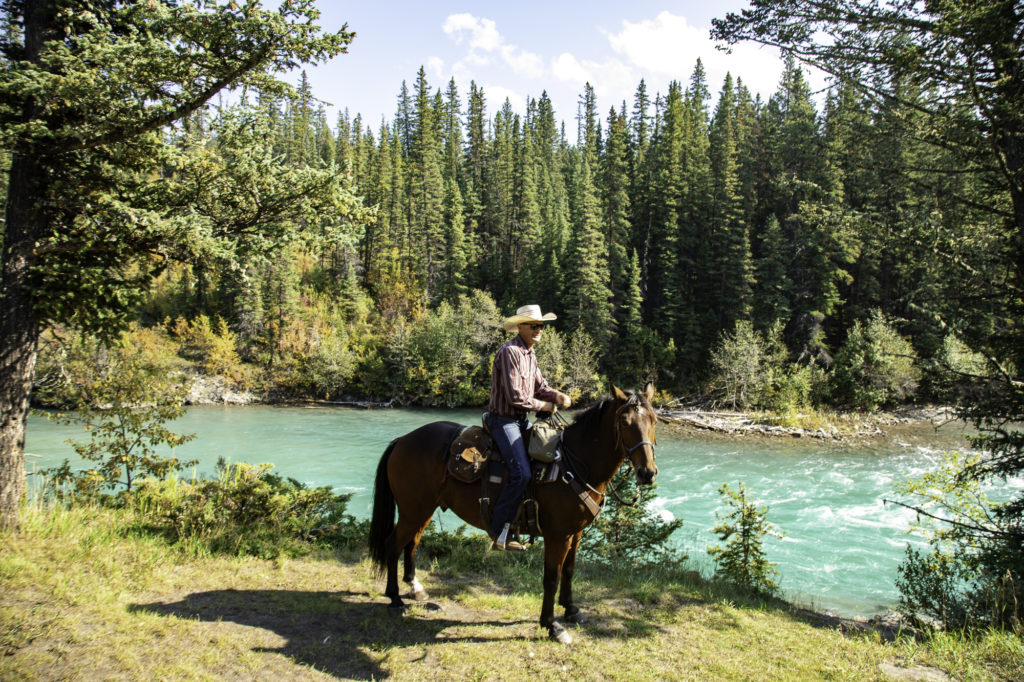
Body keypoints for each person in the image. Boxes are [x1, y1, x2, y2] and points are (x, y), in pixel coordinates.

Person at [486, 304, 572, 551]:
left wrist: (557, 396)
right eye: (533, 325)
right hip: (503, 420)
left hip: (520, 421)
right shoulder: (510, 352)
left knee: (543, 463)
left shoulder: (529, 354)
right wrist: (546, 406)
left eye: (541, 326)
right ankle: (498, 530)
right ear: (520, 326)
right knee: (522, 473)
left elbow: (541, 386)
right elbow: (516, 397)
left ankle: (525, 522)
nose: (538, 330)